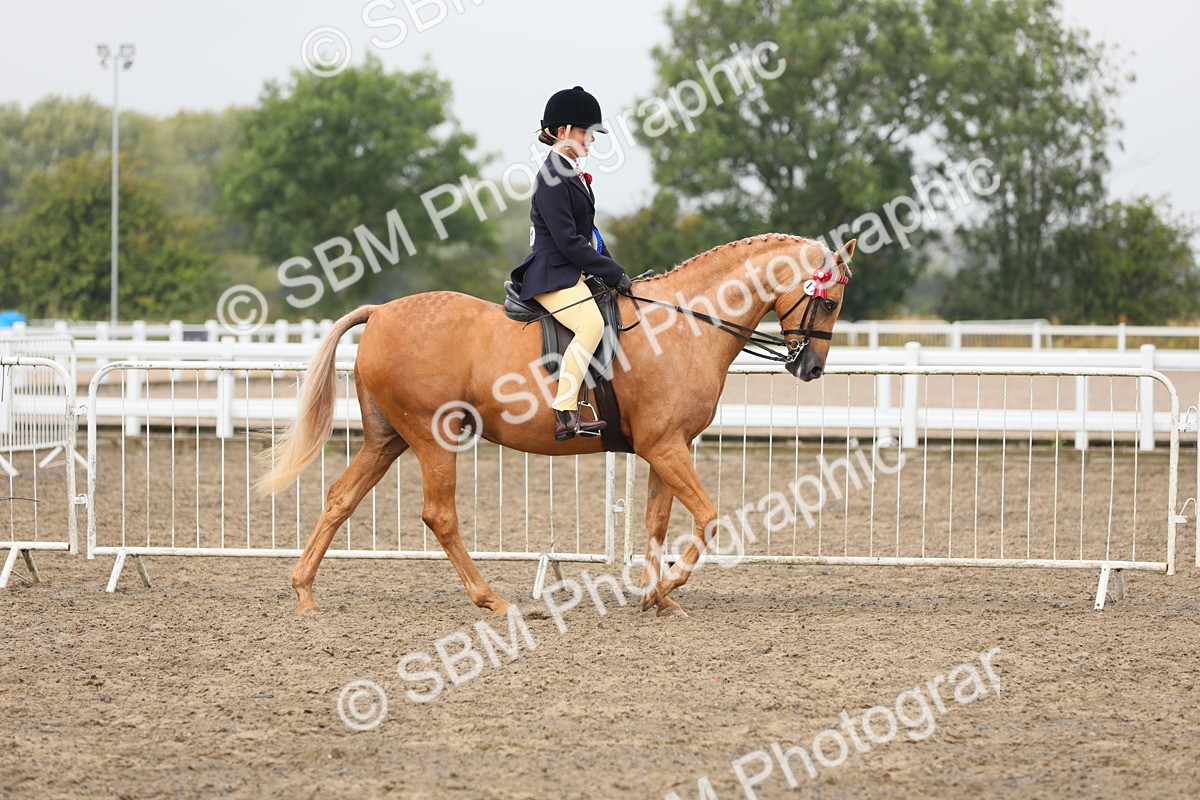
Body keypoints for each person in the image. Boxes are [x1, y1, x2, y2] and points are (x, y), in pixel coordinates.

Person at [510, 86, 633, 441]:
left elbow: (590, 234)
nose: (591, 141)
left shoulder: (571, 173)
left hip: (570, 272)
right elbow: (568, 241)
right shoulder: (551, 177)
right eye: (586, 133)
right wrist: (610, 272)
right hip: (551, 274)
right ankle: (565, 411)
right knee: (591, 325)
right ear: (562, 132)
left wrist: (618, 271)